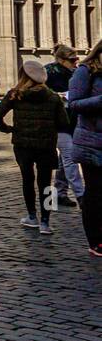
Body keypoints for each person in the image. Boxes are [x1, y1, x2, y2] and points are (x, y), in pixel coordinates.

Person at [0, 60, 70, 235]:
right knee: (47, 184)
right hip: (46, 145)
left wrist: (7, 129)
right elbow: (64, 122)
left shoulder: (15, 94)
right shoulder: (52, 97)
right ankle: (46, 222)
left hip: (23, 144)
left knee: (27, 180)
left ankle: (32, 216)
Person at [68, 39, 102, 257]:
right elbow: (74, 104)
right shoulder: (86, 72)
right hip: (92, 142)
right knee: (96, 192)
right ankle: (96, 240)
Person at [45, 44, 83, 209]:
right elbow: (41, 91)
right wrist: (57, 96)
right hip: (57, 122)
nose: (75, 62)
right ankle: (82, 196)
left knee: (64, 160)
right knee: (70, 158)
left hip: (72, 120)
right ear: (61, 59)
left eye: (76, 59)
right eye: (72, 60)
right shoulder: (49, 71)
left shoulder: (76, 73)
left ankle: (60, 193)